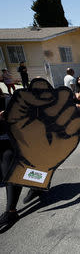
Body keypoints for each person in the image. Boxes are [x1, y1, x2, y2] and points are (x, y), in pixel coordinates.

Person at [0, 88, 22, 227]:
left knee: (10, 174)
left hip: (11, 142)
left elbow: (23, 118)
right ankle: (37, 188)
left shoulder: (8, 100)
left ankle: (11, 211)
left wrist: (7, 118)